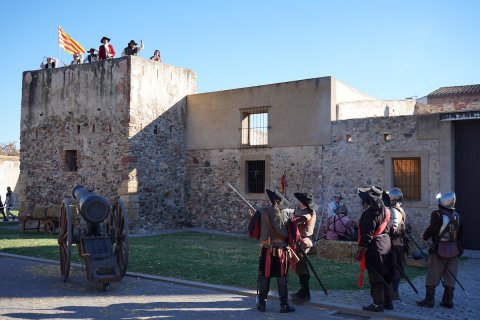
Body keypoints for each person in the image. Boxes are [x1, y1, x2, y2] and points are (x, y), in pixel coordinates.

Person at [248, 189, 298, 313]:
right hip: (282, 250)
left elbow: (253, 232)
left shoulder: (261, 212)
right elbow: (294, 236)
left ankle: (262, 304)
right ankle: (284, 305)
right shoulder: (290, 213)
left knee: (264, 276)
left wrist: (257, 218)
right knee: (282, 277)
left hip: (266, 250)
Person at [416, 192, 462, 309]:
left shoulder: (436, 214)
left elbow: (433, 229)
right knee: (450, 275)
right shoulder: (458, 216)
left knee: (433, 274)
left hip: (439, 249)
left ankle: (429, 300)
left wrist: (425, 236)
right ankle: (448, 300)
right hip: (454, 249)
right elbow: (461, 235)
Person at [355, 186, 393, 312]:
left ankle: (378, 304)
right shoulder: (387, 210)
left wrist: (360, 250)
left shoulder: (370, 212)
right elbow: (391, 228)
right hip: (386, 244)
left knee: (376, 276)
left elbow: (366, 236)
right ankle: (388, 302)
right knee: (386, 274)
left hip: (375, 248)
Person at [290, 192, 316, 303]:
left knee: (302, 269)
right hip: (298, 242)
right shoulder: (302, 211)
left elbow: (302, 219)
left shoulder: (309, 212)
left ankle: (305, 293)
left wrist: (292, 219)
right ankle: (303, 291)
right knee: (300, 269)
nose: (297, 202)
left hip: (303, 242)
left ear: (302, 202)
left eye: (299, 200)